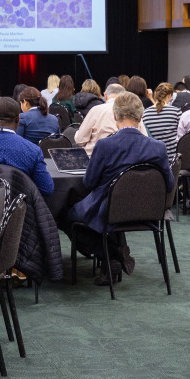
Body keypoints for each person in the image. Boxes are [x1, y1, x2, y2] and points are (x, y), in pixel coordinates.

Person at [64, 93, 172, 284]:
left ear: (115, 117)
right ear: (141, 118)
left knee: (65, 216)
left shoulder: (105, 145)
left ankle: (110, 255)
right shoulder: (158, 148)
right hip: (148, 212)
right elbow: (169, 185)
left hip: (109, 212)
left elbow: (89, 182)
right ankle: (113, 254)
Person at [75, 83, 146, 155]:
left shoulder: (95, 110)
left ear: (105, 96)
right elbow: (145, 139)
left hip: (98, 160)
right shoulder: (133, 111)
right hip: (129, 160)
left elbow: (80, 140)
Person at [141, 83, 180, 166]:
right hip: (172, 161)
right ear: (169, 95)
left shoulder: (145, 114)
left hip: (154, 160)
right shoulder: (176, 112)